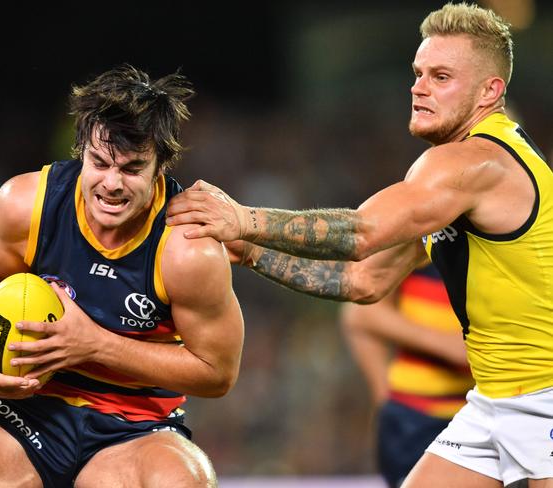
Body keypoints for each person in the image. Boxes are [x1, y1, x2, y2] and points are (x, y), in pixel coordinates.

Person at [167, 2, 553, 486]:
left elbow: (361, 232)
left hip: (543, 398)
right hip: (496, 399)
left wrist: (242, 218)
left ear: (489, 91)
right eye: (417, 73)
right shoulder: (452, 185)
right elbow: (365, 281)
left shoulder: (473, 162)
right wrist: (248, 252)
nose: (418, 87)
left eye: (441, 76)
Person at [0, 64, 244, 488]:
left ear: (160, 165)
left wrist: (95, 344)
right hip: (31, 413)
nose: (111, 184)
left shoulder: (187, 249)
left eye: (132, 168)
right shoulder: (26, 203)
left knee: (182, 481)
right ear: (80, 148)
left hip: (137, 427)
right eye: (99, 162)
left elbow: (217, 373)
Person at [341, 263, 473, 487]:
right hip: (416, 420)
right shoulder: (419, 240)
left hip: (485, 412)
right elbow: (360, 313)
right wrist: (445, 344)